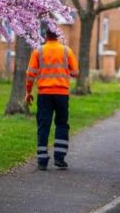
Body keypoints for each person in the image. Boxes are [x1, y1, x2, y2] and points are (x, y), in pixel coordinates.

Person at [25, 29, 79, 171]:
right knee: (61, 124)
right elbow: (75, 73)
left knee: (44, 125)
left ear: (45, 35)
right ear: (58, 35)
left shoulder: (38, 51)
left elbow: (30, 74)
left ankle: (42, 161)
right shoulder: (66, 51)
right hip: (61, 94)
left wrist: (28, 91)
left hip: (44, 94)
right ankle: (59, 159)